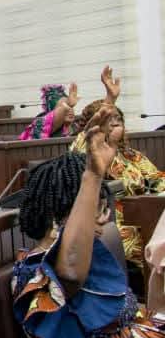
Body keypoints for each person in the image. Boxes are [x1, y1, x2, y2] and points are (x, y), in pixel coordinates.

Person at [12, 108, 165, 338]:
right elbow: (68, 272)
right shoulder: (33, 270)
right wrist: (93, 175)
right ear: (62, 210)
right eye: (98, 209)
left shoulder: (91, 257)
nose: (104, 218)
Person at [70, 68, 165, 268]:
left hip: (146, 216)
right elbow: (86, 142)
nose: (115, 124)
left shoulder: (132, 155)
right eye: (108, 120)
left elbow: (158, 179)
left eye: (118, 119)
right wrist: (110, 100)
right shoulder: (89, 153)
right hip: (112, 224)